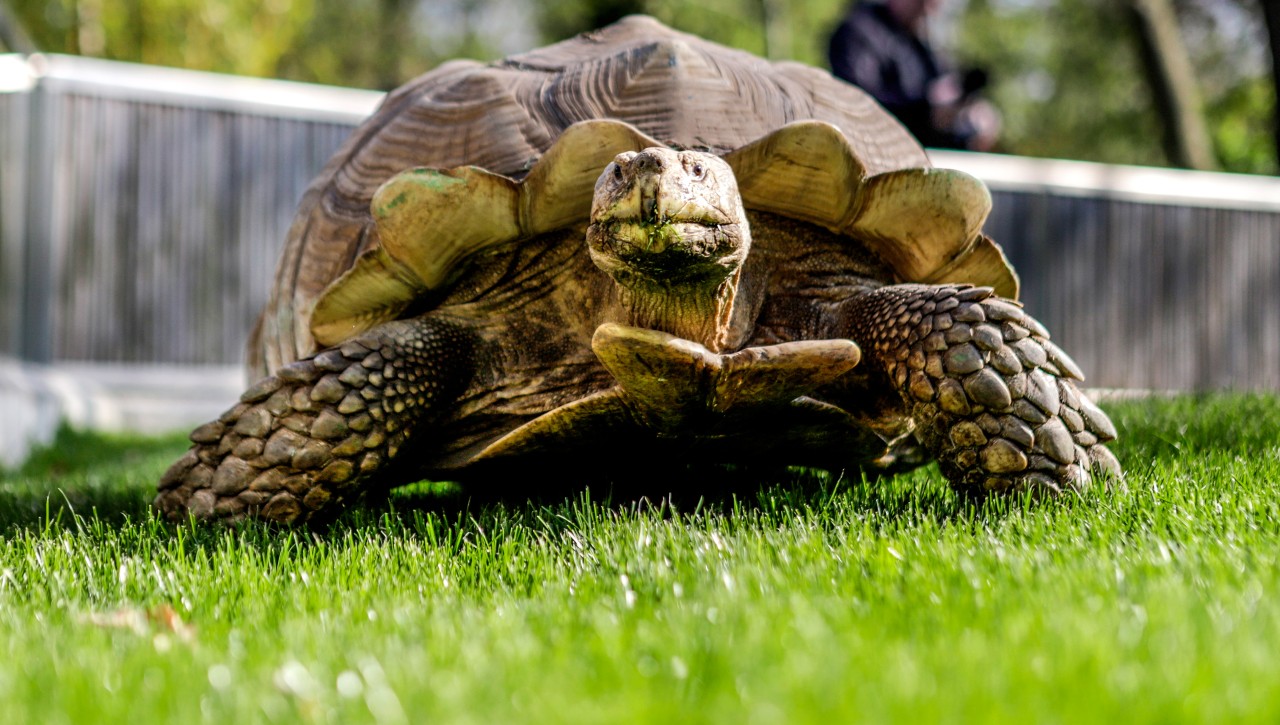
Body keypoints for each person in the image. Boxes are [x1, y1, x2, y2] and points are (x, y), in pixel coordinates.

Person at [828, 0, 1000, 151]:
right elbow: (858, 103)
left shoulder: (921, 46)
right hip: (874, 158)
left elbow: (945, 94)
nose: (928, 8)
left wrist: (972, 113)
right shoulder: (860, 30)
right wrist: (925, 109)